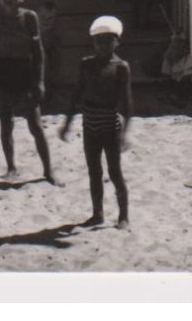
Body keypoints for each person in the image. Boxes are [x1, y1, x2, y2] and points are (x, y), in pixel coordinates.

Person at [60, 16, 133, 229]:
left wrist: (125, 133)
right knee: (94, 171)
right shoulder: (86, 64)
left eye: (108, 41)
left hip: (110, 124)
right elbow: (76, 95)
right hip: (89, 123)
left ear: (117, 41)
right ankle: (97, 213)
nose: (102, 46)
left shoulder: (121, 67)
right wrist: (67, 123)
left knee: (114, 171)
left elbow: (127, 103)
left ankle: (123, 216)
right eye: (98, 41)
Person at [0, 0, 56, 184]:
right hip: (3, 71)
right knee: (6, 124)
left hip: (24, 73)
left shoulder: (29, 18)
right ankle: (11, 167)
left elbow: (38, 52)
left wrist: (40, 80)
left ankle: (48, 171)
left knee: (35, 125)